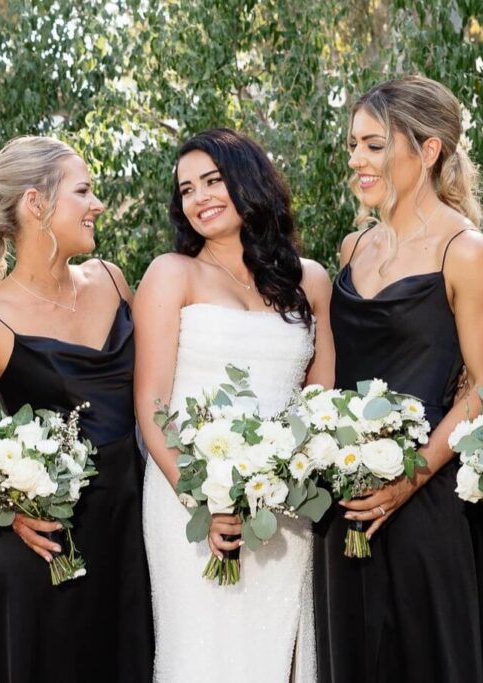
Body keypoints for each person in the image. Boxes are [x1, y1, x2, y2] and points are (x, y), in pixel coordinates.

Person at [0, 136, 153, 682]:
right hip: (44, 550)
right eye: (84, 191)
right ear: (36, 203)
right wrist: (9, 498)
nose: (97, 204)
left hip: (128, 535)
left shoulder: (112, 280)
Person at [314, 75, 483, 683]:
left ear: (428, 150)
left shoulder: (467, 253)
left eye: (374, 145)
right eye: (353, 144)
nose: (357, 159)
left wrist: (409, 477)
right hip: (345, 501)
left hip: (428, 504)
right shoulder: (353, 248)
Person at [134, 128, 335, 682]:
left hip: (285, 501)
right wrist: (203, 499)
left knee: (279, 651)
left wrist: (287, 477)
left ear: (248, 181)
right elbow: (151, 403)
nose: (199, 198)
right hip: (188, 495)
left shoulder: (311, 281)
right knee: (201, 655)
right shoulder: (171, 274)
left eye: (212, 181)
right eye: (187, 189)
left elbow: (320, 401)